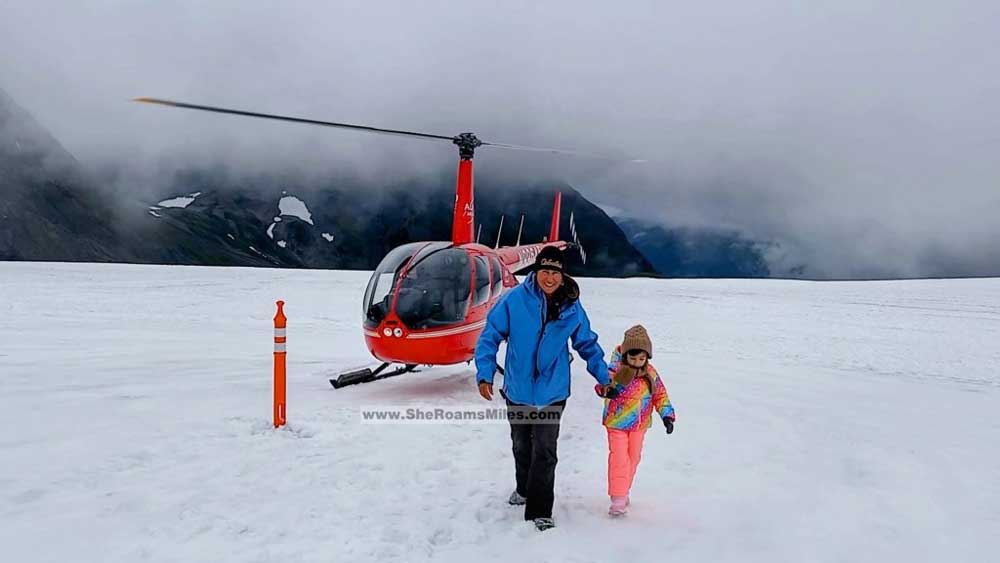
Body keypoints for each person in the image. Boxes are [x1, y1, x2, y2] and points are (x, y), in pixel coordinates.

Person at [475, 246, 615, 531]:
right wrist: (485, 373)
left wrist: (604, 376)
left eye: (555, 272)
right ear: (536, 271)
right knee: (521, 445)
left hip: (552, 392)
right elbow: (490, 336)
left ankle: (540, 509)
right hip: (517, 389)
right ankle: (524, 489)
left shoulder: (571, 306)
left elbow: (586, 343)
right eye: (544, 271)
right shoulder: (514, 301)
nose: (549, 278)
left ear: (562, 276)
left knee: (545, 451)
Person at [595, 325, 676, 517]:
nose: (637, 362)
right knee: (619, 459)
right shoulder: (616, 369)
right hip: (617, 423)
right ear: (625, 355)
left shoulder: (650, 373)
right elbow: (602, 385)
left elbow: (660, 395)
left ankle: (623, 489)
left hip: (639, 425)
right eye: (633, 358)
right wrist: (608, 390)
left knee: (634, 457)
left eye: (642, 358)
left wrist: (667, 415)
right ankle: (618, 499)